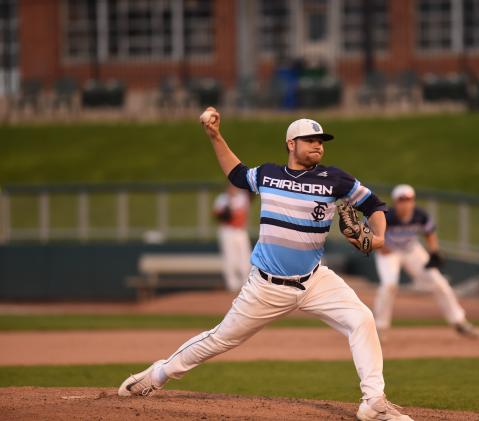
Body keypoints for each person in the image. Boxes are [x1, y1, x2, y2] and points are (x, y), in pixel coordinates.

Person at [118, 109, 414, 421]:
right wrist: (215, 136)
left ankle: (373, 403)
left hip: (315, 280)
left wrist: (378, 239)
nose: (318, 145)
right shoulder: (269, 175)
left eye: (321, 141)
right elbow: (236, 173)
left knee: (362, 319)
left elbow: (374, 205)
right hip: (266, 286)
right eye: (310, 140)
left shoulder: (335, 179)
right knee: (220, 339)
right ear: (291, 143)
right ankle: (158, 374)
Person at [373, 184, 479, 339]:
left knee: (439, 282)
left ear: (413, 201)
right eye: (402, 199)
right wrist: (381, 248)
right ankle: (380, 327)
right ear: (396, 202)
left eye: (409, 199)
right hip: (390, 252)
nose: (406, 203)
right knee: (389, 285)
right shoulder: (388, 215)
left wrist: (434, 250)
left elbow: (429, 232)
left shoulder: (420, 215)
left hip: (411, 250)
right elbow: (375, 234)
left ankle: (459, 321)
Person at [213, 184, 251, 292]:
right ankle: (232, 284)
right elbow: (217, 214)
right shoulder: (222, 198)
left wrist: (229, 213)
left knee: (245, 257)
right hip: (227, 231)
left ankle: (246, 283)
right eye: (230, 186)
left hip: (240, 231)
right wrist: (226, 213)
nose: (232, 189)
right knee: (229, 257)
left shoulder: (242, 197)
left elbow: (240, 217)